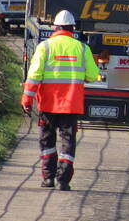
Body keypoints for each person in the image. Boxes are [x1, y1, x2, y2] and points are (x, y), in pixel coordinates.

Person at [21, 10, 100, 190]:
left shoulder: (45, 47)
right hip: (71, 105)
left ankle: (48, 179)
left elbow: (34, 76)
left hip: (48, 104)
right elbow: (92, 75)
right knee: (68, 142)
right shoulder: (82, 49)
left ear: (55, 27)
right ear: (72, 28)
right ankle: (63, 181)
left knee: (47, 141)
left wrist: (27, 100)